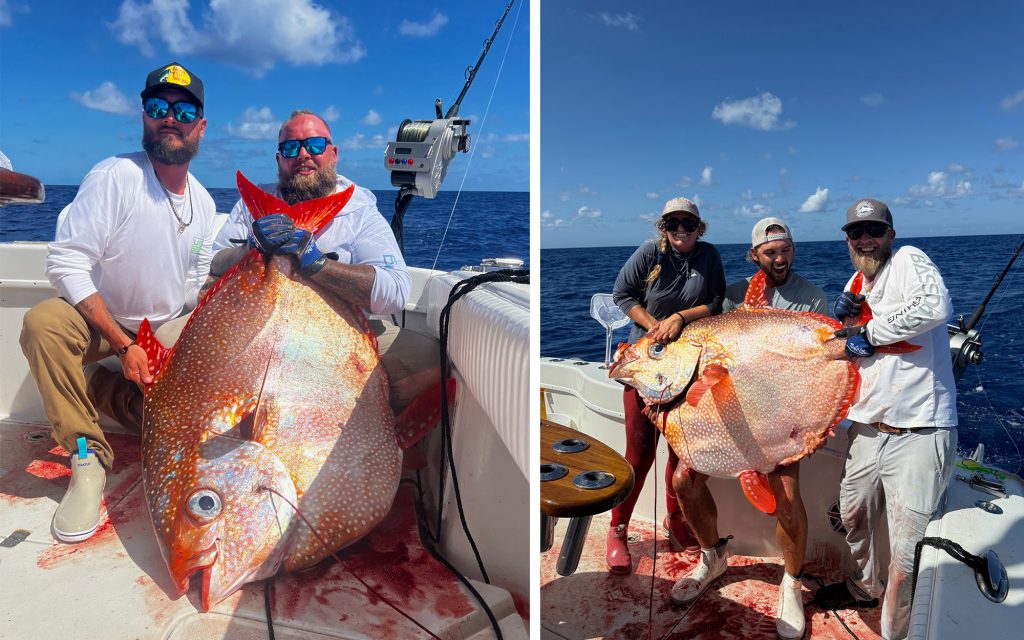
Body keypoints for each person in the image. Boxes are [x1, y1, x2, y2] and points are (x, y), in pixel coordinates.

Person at [19, 62, 219, 543]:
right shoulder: (115, 176)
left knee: (194, 434)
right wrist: (123, 343)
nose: (169, 117)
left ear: (201, 125)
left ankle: (95, 391)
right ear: (144, 115)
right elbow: (65, 263)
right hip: (99, 322)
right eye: (157, 107)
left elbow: (194, 284)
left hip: (163, 325)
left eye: (183, 109)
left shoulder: (207, 204)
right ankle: (87, 459)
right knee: (43, 321)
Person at [206, 110, 439, 413]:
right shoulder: (252, 204)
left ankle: (357, 427)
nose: (303, 154)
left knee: (431, 358)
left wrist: (318, 265)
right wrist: (251, 249)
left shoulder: (359, 211)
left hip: (336, 336)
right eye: (291, 147)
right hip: (250, 331)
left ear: (333, 153)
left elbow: (394, 292)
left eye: (315, 145)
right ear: (279, 159)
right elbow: (213, 263)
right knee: (167, 344)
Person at [669, 217, 827, 639]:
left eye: (786, 249)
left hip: (782, 417)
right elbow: (709, 351)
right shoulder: (735, 296)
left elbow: (825, 366)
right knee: (683, 479)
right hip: (732, 416)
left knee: (788, 496)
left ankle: (791, 583)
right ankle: (712, 556)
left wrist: (814, 425)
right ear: (754, 255)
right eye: (770, 252)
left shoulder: (812, 299)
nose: (780, 258)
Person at [813, 199, 958, 640]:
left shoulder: (910, 260)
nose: (865, 240)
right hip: (868, 429)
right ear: (847, 240)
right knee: (852, 515)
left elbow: (936, 307)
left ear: (891, 235)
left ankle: (897, 632)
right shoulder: (856, 281)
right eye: (856, 233)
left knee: (907, 558)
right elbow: (847, 360)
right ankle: (863, 587)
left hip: (920, 431)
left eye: (874, 231)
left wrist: (867, 335)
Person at [608, 197, 726, 574]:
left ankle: (676, 520)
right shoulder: (648, 254)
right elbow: (622, 294)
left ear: (700, 228)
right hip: (648, 365)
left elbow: (717, 301)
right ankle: (618, 529)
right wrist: (654, 325)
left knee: (681, 453)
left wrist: (680, 317)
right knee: (638, 456)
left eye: (688, 224)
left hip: (689, 368)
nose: (681, 230)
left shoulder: (709, 256)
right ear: (664, 227)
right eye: (673, 223)